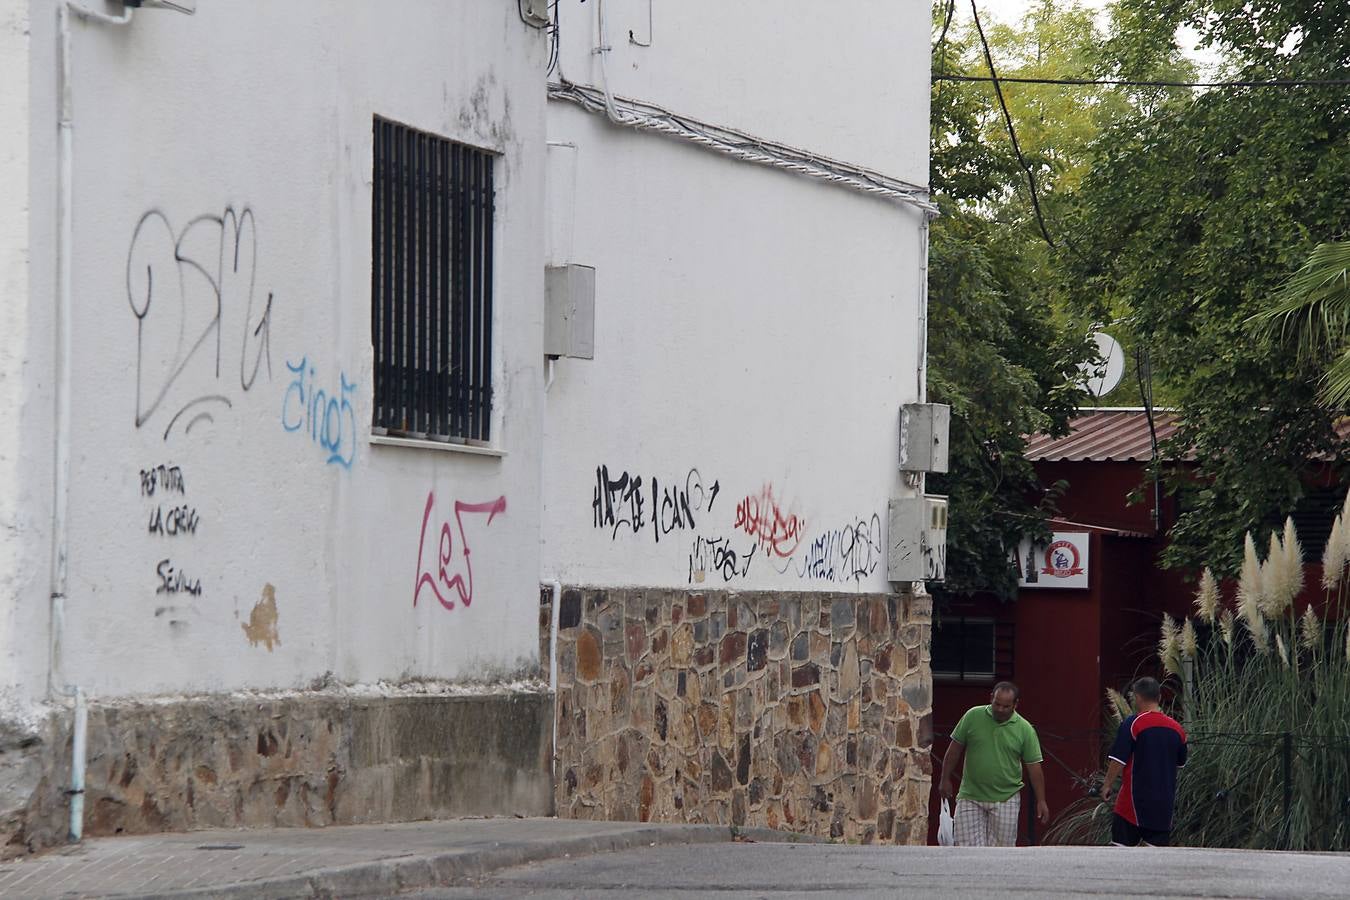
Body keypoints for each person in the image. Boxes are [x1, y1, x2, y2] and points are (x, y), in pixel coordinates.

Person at [938, 682, 1049, 847]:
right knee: (966, 851)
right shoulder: (972, 716)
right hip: (971, 796)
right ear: (991, 698)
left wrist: (1041, 800)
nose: (1000, 709)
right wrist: (944, 778)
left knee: (1001, 852)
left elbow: (1034, 768)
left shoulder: (1025, 729)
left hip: (1006, 798)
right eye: (997, 704)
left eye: (1006, 706)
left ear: (1016, 704)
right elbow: (954, 750)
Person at [1100, 676, 1188, 847]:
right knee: (1157, 861)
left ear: (1137, 697)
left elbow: (1118, 760)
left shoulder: (1132, 724)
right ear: (1159, 697)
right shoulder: (1178, 729)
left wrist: (1107, 785)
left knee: (1120, 855)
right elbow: (1180, 763)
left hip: (1132, 805)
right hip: (1163, 807)